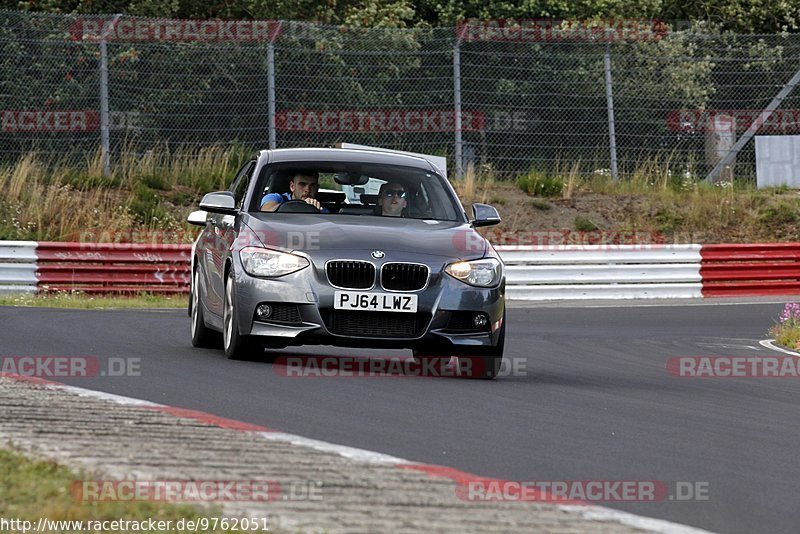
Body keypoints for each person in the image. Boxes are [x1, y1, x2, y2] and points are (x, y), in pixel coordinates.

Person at [260, 171, 326, 212]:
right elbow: (266, 211)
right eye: (302, 184)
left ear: (317, 188)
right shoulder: (275, 198)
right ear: (292, 186)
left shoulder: (321, 209)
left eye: (312, 185)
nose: (308, 190)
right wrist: (298, 205)